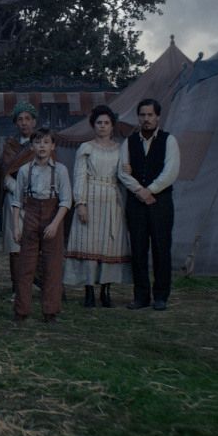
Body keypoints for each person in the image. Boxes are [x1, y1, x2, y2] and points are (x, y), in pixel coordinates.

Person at [63, 105, 132, 308]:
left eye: (106, 123)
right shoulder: (86, 148)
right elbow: (79, 176)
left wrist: (129, 170)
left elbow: (123, 177)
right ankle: (89, 290)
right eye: (99, 123)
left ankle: (105, 290)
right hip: (91, 198)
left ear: (112, 126)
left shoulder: (120, 149)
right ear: (94, 125)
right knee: (89, 244)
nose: (103, 126)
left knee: (109, 244)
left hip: (112, 200)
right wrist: (81, 203)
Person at [118, 98, 179, 311]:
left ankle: (161, 296)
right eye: (142, 115)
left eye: (150, 115)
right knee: (138, 249)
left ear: (158, 117)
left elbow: (170, 172)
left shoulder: (169, 140)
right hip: (136, 203)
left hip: (160, 203)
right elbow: (122, 172)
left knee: (161, 249)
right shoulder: (129, 142)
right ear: (138, 117)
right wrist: (140, 191)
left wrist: (150, 190)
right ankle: (141, 296)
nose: (146, 119)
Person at [11, 127, 71, 323]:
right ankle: (21, 311)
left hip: (53, 217)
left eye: (46, 142)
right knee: (25, 266)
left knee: (52, 266)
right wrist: (16, 226)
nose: (42, 146)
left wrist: (54, 224)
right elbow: (17, 201)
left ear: (53, 146)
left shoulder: (60, 170)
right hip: (31, 217)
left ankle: (50, 311)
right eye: (37, 142)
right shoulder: (24, 170)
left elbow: (66, 201)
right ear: (32, 146)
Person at [0, 101, 41, 300]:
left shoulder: (43, 144)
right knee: (15, 247)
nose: (24, 123)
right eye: (20, 119)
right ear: (16, 123)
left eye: (28, 119)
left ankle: (41, 283)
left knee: (35, 246)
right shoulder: (10, 145)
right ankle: (18, 290)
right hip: (14, 201)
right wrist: (19, 192)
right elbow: (5, 174)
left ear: (34, 122)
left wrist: (32, 194)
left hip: (38, 201)